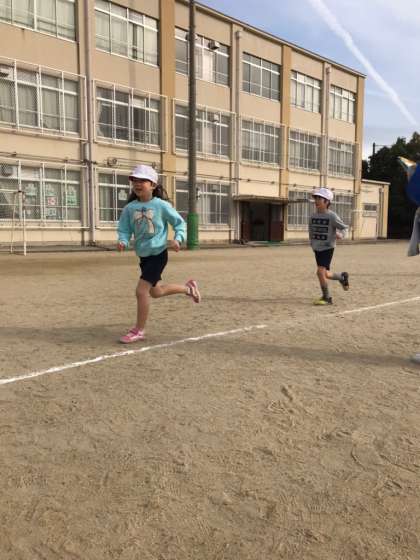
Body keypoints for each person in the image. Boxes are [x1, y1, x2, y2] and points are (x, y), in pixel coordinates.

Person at [117, 164, 200, 344]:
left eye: (142, 180)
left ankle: (139, 330)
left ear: (153, 185)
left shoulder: (161, 205)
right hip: (143, 256)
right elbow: (124, 228)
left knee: (141, 291)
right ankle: (189, 288)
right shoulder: (130, 208)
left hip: (158, 254)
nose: (137, 184)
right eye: (135, 180)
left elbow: (179, 223)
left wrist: (178, 238)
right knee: (156, 292)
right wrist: (123, 240)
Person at [308, 187, 349, 305]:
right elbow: (311, 231)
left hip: (327, 247)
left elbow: (344, 228)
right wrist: (312, 243)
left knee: (320, 272)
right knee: (325, 273)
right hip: (317, 248)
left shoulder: (332, 216)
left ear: (327, 202)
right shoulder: (313, 216)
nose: (316, 201)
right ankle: (342, 277)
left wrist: (341, 235)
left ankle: (327, 297)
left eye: (319, 198)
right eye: (316, 198)